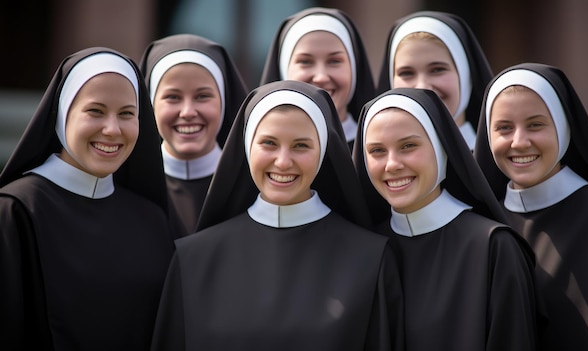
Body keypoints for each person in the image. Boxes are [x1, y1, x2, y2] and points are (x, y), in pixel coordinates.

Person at [150, 80, 404, 351]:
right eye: (269, 143)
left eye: (301, 146)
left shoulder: (369, 259)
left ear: (323, 152)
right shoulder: (193, 260)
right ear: (248, 148)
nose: (283, 161)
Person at [0, 47, 174, 350]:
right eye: (95, 111)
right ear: (63, 113)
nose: (112, 129)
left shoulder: (151, 218)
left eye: (126, 114)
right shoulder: (16, 211)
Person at [352, 87, 537, 351]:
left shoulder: (494, 248)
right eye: (377, 151)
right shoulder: (365, 248)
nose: (392, 164)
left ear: (443, 149)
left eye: (408, 146)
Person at [473, 62, 588, 350]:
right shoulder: (478, 226)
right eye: (504, 128)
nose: (519, 142)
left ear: (565, 127)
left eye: (535, 125)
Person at [139, 33, 249, 237]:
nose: (188, 112)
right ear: (150, 104)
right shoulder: (131, 189)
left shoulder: (251, 191)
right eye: (173, 97)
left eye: (202, 96)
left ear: (224, 102)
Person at [259, 7, 376, 150]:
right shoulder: (260, 152)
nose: (321, 77)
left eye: (334, 61)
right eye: (305, 62)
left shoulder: (377, 152)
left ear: (354, 68)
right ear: (284, 70)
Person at [377, 11, 493, 150]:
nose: (422, 86)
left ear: (465, 76)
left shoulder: (497, 165)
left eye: (437, 70)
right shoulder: (376, 165)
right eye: (406, 73)